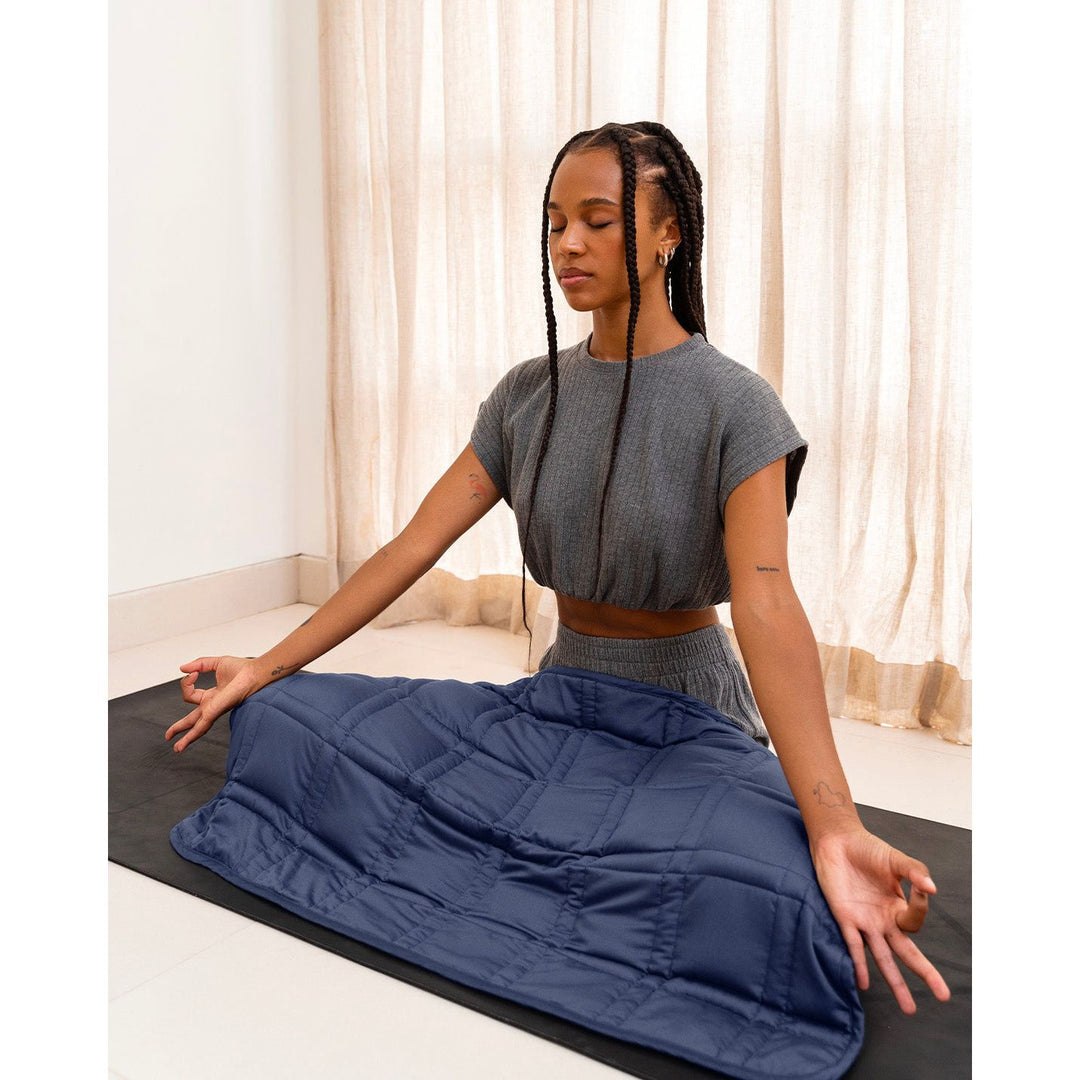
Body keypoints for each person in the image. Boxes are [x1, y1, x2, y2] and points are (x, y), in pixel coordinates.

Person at [164, 121, 950, 1018]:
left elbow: (768, 605)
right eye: (554, 223)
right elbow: (411, 548)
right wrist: (267, 667)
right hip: (559, 696)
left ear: (667, 233)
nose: (567, 244)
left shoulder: (738, 406)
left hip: (687, 715)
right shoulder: (525, 396)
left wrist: (835, 821)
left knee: (761, 899)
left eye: (599, 220)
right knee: (303, 724)